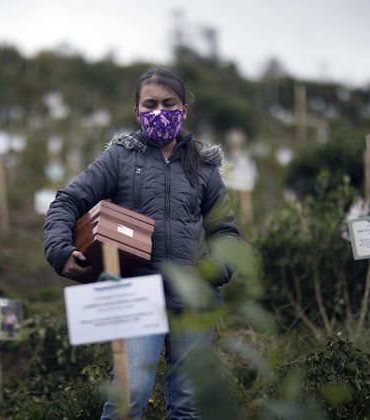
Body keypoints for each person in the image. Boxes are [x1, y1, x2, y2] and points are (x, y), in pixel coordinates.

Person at [43, 67, 240, 419]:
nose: (159, 112)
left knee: (189, 406)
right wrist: (60, 250)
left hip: (194, 299)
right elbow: (67, 201)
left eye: (168, 103)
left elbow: (226, 233)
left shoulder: (205, 167)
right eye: (150, 105)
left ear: (183, 109)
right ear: (137, 111)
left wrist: (212, 271)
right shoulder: (119, 158)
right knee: (129, 397)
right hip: (136, 296)